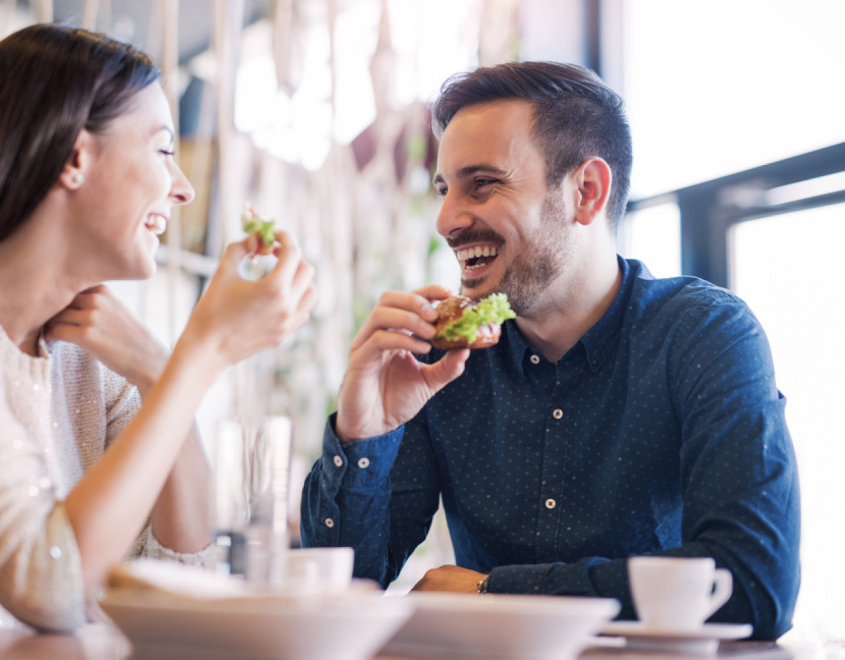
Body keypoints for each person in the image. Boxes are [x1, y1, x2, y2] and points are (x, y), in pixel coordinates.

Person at [300, 61, 799, 640]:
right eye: (443, 189)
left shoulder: (703, 335)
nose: (446, 220)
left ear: (586, 192)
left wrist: (496, 592)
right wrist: (365, 432)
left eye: (481, 183)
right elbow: (338, 594)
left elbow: (755, 585)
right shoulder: (438, 361)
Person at [0, 24, 317, 632]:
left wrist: (159, 368)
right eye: (163, 149)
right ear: (74, 156)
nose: (183, 188)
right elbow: (51, 584)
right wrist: (202, 355)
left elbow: (184, 575)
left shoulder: (85, 356)